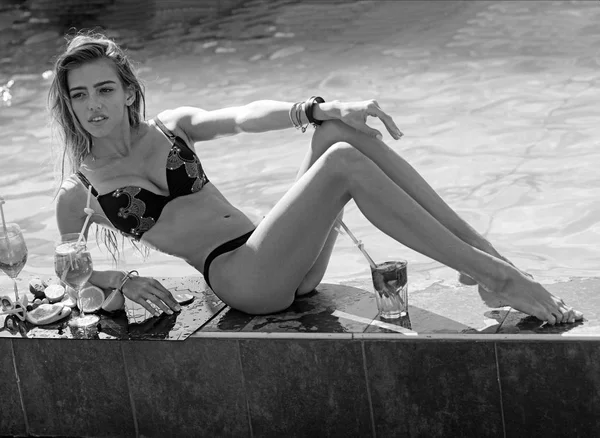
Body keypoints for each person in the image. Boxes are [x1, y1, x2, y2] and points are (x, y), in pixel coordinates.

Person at [50, 32, 582, 325]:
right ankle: (498, 275)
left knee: (332, 132)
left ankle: (483, 254)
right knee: (341, 163)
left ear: (126, 89)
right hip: (244, 281)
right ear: (68, 105)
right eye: (79, 95)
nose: (93, 105)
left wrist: (320, 107)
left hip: (282, 256)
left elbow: (244, 115)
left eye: (103, 89)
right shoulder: (82, 189)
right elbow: (68, 273)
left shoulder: (170, 128)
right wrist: (121, 281)